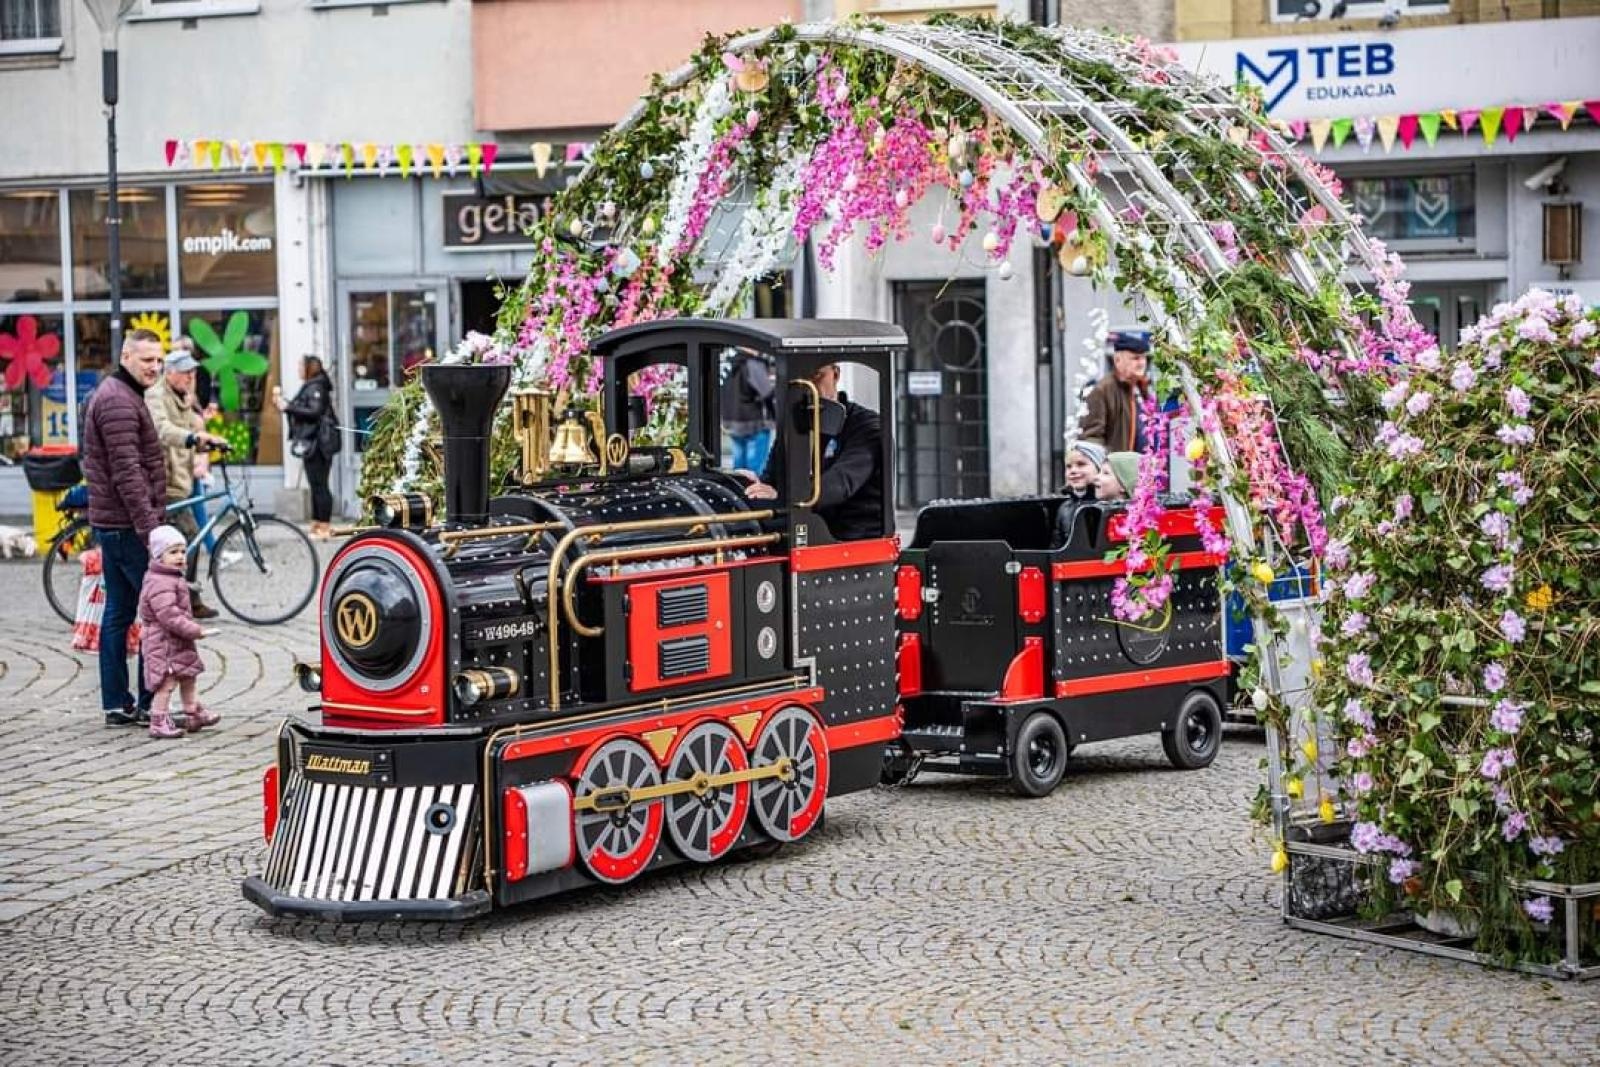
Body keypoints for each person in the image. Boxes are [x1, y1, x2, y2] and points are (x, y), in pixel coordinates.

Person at [81, 328, 167, 727]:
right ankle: (151, 703)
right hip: (128, 527)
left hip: (113, 524)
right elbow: (127, 473)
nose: (155, 366)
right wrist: (152, 532)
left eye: (159, 359)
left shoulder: (122, 395)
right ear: (126, 357)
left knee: (118, 614)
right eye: (147, 359)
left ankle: (117, 703)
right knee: (155, 613)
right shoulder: (117, 400)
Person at [743, 362, 884, 542]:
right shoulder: (794, 427)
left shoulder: (867, 427)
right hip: (801, 531)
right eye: (800, 379)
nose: (808, 386)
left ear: (836, 374)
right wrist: (751, 486)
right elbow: (772, 478)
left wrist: (783, 497)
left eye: (816, 376)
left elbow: (840, 485)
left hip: (854, 538)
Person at [145, 341, 227, 619]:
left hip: (183, 478)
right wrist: (193, 438)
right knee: (190, 537)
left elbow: (194, 429)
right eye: (185, 372)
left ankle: (181, 597)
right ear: (169, 373)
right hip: (163, 481)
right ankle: (185, 599)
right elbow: (162, 429)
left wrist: (211, 442)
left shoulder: (184, 396)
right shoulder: (157, 395)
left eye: (192, 372)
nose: (191, 377)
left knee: (182, 540)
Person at [138, 524, 217, 739]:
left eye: (182, 551)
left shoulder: (172, 577)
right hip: (163, 642)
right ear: (158, 556)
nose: (180, 556)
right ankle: (158, 720)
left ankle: (192, 711)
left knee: (188, 675)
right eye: (173, 552)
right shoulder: (159, 582)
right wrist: (194, 630)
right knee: (166, 682)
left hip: (177, 640)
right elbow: (169, 616)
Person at [274, 355, 339, 539]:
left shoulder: (316, 387)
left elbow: (314, 412)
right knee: (315, 484)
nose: (299, 370)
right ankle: (316, 524)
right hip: (314, 441)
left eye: (301, 366)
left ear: (309, 368)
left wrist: (288, 408)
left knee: (320, 485)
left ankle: (324, 526)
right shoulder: (313, 386)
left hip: (318, 443)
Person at [1079, 331, 1151, 453]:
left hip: (1141, 468)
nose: (1142, 363)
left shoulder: (1141, 387)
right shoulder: (1102, 390)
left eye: (1144, 357)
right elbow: (1092, 438)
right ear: (1117, 360)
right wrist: (1108, 466)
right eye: (1135, 358)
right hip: (1117, 469)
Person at [721, 350, 776, 476]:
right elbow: (766, 391)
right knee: (755, 469)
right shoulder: (752, 364)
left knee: (738, 467)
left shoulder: (731, 364)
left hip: (733, 420)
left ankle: (739, 492)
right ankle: (753, 494)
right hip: (754, 421)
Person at [1054, 440, 1107, 546]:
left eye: (1081, 464)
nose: (1073, 470)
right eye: (1068, 466)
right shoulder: (1064, 508)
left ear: (1099, 469)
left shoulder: (1105, 504)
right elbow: (1056, 545)